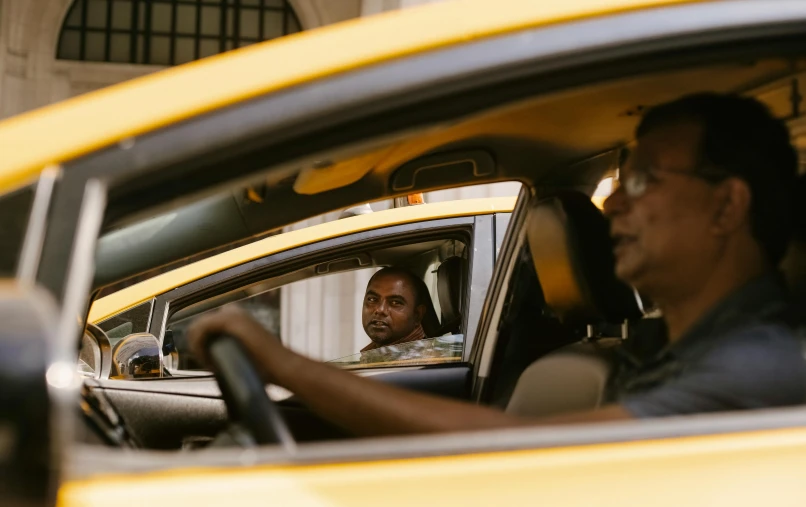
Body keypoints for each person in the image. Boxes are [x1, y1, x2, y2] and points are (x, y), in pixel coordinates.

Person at [187, 92, 806, 436]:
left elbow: (513, 454)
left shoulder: (757, 370)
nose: (612, 203)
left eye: (642, 183)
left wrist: (280, 361)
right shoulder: (656, 346)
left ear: (728, 206)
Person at [360, 267, 430, 352]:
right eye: (372, 299)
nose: (380, 309)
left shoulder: (421, 361)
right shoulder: (378, 356)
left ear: (417, 315)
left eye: (395, 302)